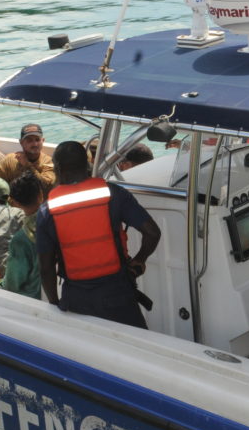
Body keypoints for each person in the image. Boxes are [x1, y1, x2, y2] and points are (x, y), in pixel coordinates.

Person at [37, 141, 161, 328]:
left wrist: (55, 304)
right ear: (87, 165)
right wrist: (139, 260)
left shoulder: (47, 211)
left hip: (76, 300)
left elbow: (46, 268)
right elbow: (152, 232)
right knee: (136, 349)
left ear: (59, 169)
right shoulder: (114, 194)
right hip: (118, 294)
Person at [0, 171, 44, 297]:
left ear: (16, 202)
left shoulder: (22, 239)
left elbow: (12, 284)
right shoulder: (54, 221)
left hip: (30, 297)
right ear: (40, 194)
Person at [0, 123, 56, 198]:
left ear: (43, 140)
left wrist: (27, 166)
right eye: (29, 140)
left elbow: (46, 186)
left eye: (37, 140)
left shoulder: (48, 162)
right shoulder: (10, 159)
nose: (35, 144)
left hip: (37, 208)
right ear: (21, 142)